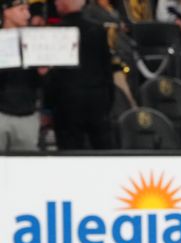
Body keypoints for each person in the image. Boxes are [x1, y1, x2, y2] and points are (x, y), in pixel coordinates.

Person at [44, 0, 114, 149]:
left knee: (70, 154)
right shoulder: (97, 29)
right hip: (97, 99)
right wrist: (109, 99)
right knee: (103, 151)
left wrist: (47, 107)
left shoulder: (55, 32)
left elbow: (53, 75)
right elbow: (107, 68)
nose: (55, 3)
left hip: (66, 103)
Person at [0, 0, 43, 151]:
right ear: (7, 12)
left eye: (28, 10)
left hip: (27, 115)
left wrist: (42, 74)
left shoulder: (34, 42)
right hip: (1, 115)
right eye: (22, 9)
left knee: (26, 169)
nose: (28, 14)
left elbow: (40, 83)